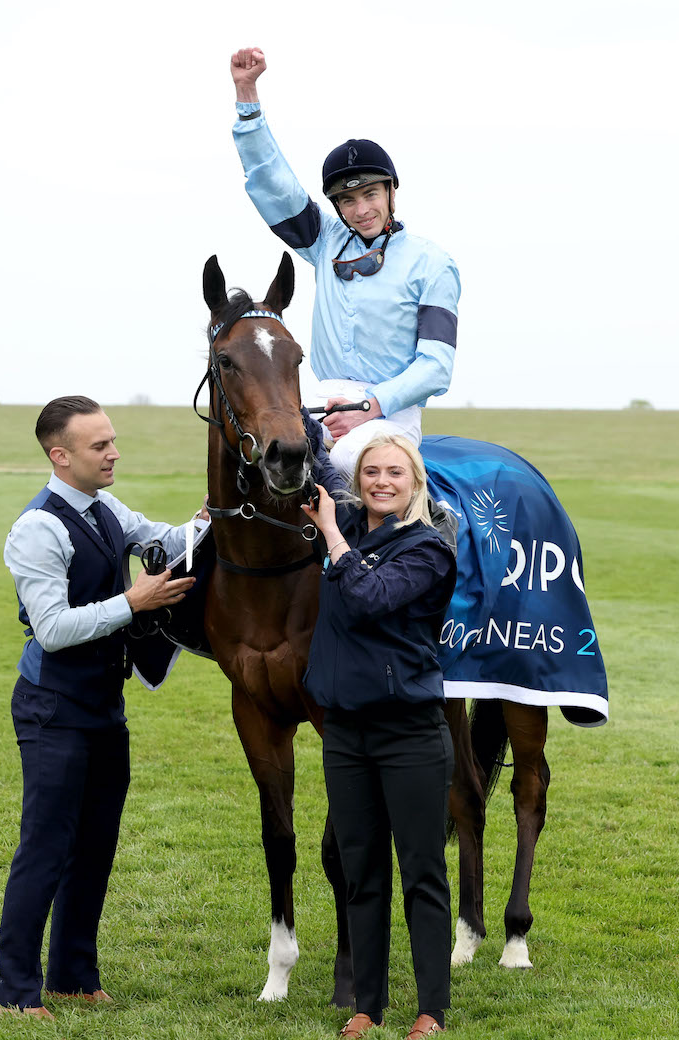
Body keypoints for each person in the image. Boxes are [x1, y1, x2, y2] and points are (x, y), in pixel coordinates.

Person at [0, 395, 196, 1019]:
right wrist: (135, 601)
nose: (114, 452)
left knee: (96, 845)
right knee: (46, 847)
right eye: (99, 446)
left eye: (112, 440)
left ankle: (73, 977)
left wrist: (216, 519)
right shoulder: (37, 528)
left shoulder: (105, 505)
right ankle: (13, 993)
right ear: (61, 456)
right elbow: (51, 628)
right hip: (53, 709)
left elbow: (162, 537)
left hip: (106, 707)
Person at [230, 46, 461, 481]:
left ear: (392, 191)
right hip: (317, 402)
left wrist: (370, 406)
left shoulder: (433, 263)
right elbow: (272, 182)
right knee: (246, 465)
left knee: (344, 463)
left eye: (370, 194)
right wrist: (247, 98)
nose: (361, 210)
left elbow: (436, 366)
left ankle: (424, 533)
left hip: (390, 415)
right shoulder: (325, 242)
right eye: (348, 200)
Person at [301, 434, 457, 1040]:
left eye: (395, 472)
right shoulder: (350, 531)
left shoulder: (427, 551)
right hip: (345, 734)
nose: (381, 482)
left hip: (409, 735)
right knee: (361, 873)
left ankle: (432, 1010)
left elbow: (369, 598)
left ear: (415, 481)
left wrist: (334, 539)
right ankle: (368, 1004)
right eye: (370, 472)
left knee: (421, 873)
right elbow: (298, 477)